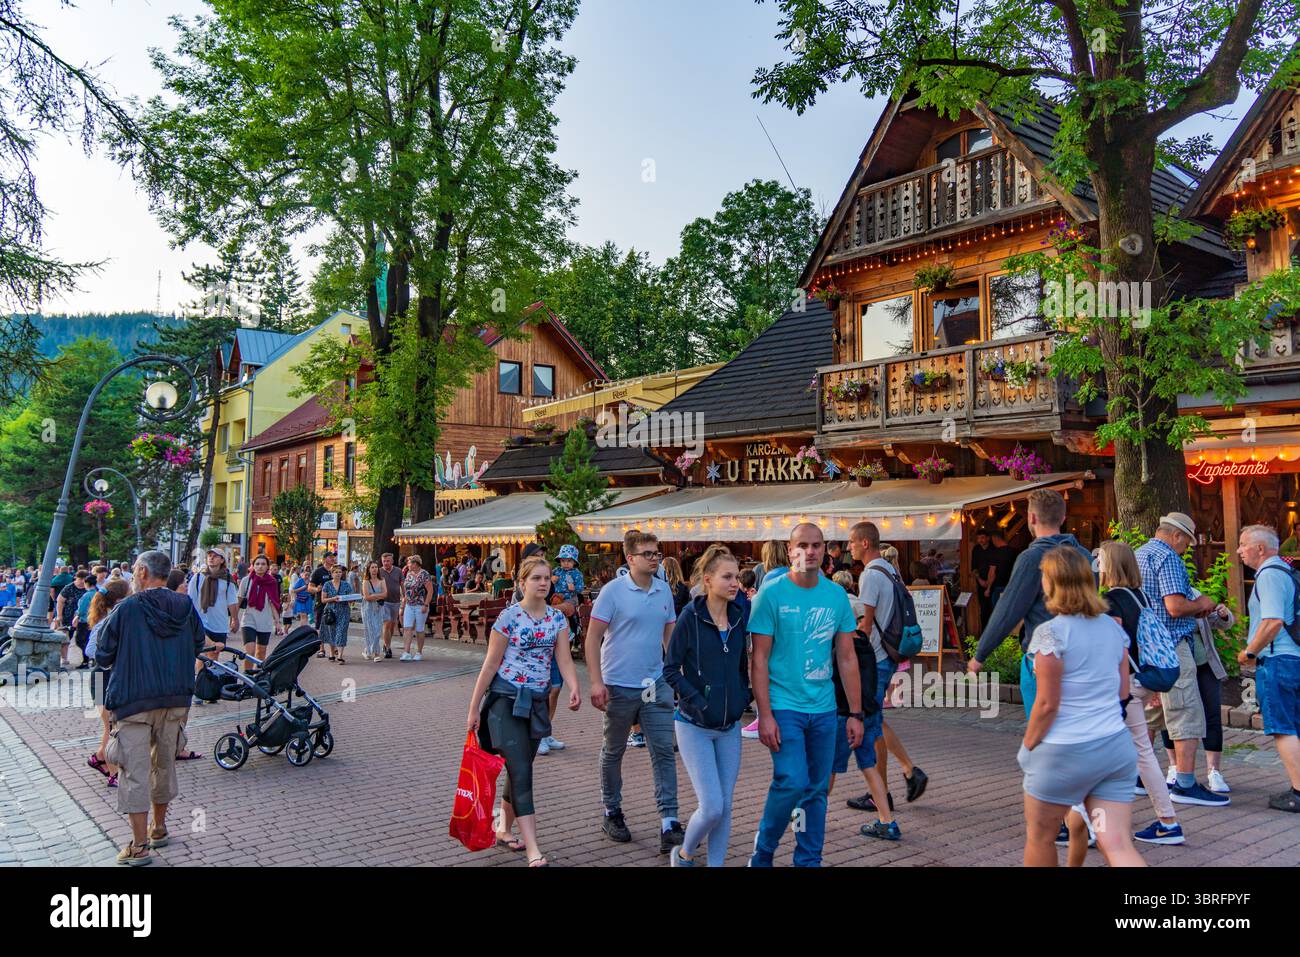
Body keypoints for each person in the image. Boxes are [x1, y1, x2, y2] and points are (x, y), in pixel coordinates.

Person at [1018, 546, 1143, 867]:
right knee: (1116, 843)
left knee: (1041, 837)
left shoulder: (1050, 634)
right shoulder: (1114, 630)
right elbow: (1122, 693)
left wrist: (1028, 745)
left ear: (1052, 583)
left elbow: (1046, 704)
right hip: (1113, 749)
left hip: (1063, 753)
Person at [748, 523, 863, 867]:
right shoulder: (772, 594)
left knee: (816, 790)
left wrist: (856, 713)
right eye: (803, 545)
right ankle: (764, 850)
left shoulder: (836, 596)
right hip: (785, 707)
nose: (810, 551)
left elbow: (846, 657)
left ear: (825, 549)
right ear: (790, 548)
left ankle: (808, 859)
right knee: (791, 780)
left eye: (816, 545)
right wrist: (764, 714)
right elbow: (759, 659)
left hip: (824, 709)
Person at [467, 555, 581, 867]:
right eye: (537, 578)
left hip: (537, 701)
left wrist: (573, 686)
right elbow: (490, 664)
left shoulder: (557, 619)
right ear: (522, 583)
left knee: (519, 767)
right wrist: (474, 707)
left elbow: (564, 659)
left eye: (547, 578)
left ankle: (503, 829)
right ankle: (533, 848)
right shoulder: (508, 618)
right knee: (522, 770)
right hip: (505, 700)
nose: (544, 583)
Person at [96, 550, 206, 866]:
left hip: (134, 699)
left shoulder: (127, 608)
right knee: (164, 764)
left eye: (134, 570)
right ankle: (159, 828)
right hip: (174, 698)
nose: (132, 575)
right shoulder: (185, 606)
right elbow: (199, 642)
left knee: (134, 770)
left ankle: (139, 846)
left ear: (143, 572)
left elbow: (102, 654)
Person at [585, 529, 682, 853]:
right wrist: (596, 683)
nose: (655, 558)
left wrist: (676, 678)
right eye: (648, 554)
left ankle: (669, 821)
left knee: (663, 752)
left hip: (654, 685)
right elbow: (592, 638)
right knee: (613, 751)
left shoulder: (663, 591)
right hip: (618, 686)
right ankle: (611, 811)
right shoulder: (613, 592)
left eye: (657, 552)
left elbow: (670, 638)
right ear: (630, 558)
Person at [662, 546, 750, 867]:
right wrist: (697, 700)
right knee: (712, 805)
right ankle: (684, 853)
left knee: (725, 806)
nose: (734, 583)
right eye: (727, 577)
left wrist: (744, 697)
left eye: (737, 577)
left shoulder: (740, 616)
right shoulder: (690, 617)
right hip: (693, 725)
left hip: (729, 727)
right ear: (708, 580)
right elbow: (670, 669)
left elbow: (741, 665)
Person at [968, 489, 1093, 716]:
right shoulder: (1084, 555)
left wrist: (980, 654)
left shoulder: (1032, 558)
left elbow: (1009, 610)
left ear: (1032, 518)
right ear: (1063, 518)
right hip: (1082, 656)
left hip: (1043, 658)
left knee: (1044, 735)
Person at [1135, 512, 1228, 807]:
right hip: (1173, 644)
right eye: (1186, 541)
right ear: (1177, 536)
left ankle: (1137, 777)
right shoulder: (1168, 557)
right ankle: (1185, 783)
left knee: (1150, 716)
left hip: (1146, 646)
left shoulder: (1139, 555)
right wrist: (1203, 603)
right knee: (1186, 711)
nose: (1186, 547)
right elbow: (1175, 606)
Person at [1096, 540, 1186, 847]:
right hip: (1143, 679)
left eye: (1101, 561)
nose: (1098, 566)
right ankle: (1167, 821)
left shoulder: (1111, 600)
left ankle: (1095, 824)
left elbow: (1114, 648)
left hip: (1124, 684)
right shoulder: (1142, 596)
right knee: (1142, 754)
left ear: (1111, 565)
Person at [843, 521, 929, 818]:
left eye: (852, 542)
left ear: (865, 543)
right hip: (892, 653)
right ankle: (892, 783)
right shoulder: (890, 568)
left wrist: (846, 636)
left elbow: (866, 624)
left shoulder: (869, 575)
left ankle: (892, 784)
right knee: (875, 722)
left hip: (877, 657)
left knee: (873, 723)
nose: (849, 547)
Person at [1234, 525, 1300, 813]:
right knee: (1293, 726)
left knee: (1282, 727)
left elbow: (1272, 622)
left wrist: (1250, 651)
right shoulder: (1283, 572)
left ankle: (1299, 792)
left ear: (1260, 548)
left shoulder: (1270, 575)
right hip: (1292, 659)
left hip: (1278, 661)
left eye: (1243, 544)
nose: (1239, 550)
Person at [1156, 583, 1234, 794]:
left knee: (1211, 714)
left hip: (1203, 662)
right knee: (1171, 713)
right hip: (1176, 664)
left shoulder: (1195, 596)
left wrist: (1224, 614)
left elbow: (1220, 622)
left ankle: (1214, 771)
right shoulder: (1160, 600)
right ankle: (1174, 766)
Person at [85, 578, 133, 790]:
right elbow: (91, 650)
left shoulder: (115, 617)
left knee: (112, 727)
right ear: (120, 599)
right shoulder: (108, 621)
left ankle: (99, 758)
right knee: (112, 728)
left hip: (107, 678)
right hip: (101, 678)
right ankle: (113, 772)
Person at [186, 549, 239, 691]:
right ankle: (199, 689)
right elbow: (189, 601)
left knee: (214, 655)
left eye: (215, 556)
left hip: (220, 623)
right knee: (202, 655)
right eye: (210, 556)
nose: (211, 558)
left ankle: (207, 687)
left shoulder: (227, 579)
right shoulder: (197, 577)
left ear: (222, 560)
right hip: (201, 622)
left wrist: (235, 619)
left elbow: (232, 602)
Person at [238, 555, 284, 668]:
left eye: (263, 564)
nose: (260, 566)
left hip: (265, 621)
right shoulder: (246, 580)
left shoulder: (272, 582)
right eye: (257, 564)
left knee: (261, 652)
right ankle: (247, 679)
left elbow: (273, 603)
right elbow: (238, 600)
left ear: (267, 566)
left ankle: (257, 678)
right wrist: (234, 618)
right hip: (249, 619)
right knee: (250, 652)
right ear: (253, 566)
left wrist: (277, 622)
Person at [399, 554, 433, 661]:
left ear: (415, 564)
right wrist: (404, 601)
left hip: (420, 604)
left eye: (409, 563)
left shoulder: (424, 574)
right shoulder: (409, 574)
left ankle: (419, 652)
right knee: (407, 627)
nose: (408, 565)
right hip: (409, 604)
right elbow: (405, 589)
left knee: (419, 629)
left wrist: (426, 604)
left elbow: (430, 590)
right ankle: (406, 651)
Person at [320, 563, 355, 663]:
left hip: (344, 610)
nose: (338, 574)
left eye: (340, 572)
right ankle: (331, 653)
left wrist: (352, 600)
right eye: (336, 572)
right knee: (332, 632)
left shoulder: (346, 584)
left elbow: (350, 597)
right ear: (332, 573)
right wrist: (333, 598)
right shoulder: (327, 584)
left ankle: (340, 655)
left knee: (341, 631)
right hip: (330, 611)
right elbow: (323, 600)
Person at [360, 560, 388, 662]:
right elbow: (367, 597)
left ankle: (368, 650)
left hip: (379, 608)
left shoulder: (382, 580)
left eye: (376, 567)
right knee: (370, 631)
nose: (375, 569)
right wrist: (378, 596)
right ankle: (376, 654)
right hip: (367, 609)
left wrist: (374, 596)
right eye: (372, 567)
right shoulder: (366, 581)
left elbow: (385, 594)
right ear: (368, 569)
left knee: (377, 631)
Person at [376, 554, 402, 660]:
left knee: (392, 625)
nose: (386, 563)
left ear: (392, 561)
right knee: (386, 624)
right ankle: (388, 648)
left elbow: (402, 584)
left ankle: (386, 643)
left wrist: (404, 597)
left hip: (395, 601)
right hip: (384, 601)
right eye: (384, 561)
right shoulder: (379, 571)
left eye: (388, 561)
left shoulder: (398, 571)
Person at [973, 529, 996, 629]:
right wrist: (979, 580)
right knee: (983, 610)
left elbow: (995, 568)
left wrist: (989, 583)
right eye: (978, 538)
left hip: (995, 583)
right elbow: (974, 568)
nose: (980, 540)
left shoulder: (994, 548)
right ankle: (984, 633)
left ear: (988, 538)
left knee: (994, 609)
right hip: (981, 583)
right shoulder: (976, 549)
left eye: (982, 537)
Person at [308, 552, 337, 631]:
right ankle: (320, 643)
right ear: (324, 559)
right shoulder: (318, 572)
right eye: (330, 557)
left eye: (333, 557)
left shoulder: (337, 571)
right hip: (321, 603)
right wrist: (316, 589)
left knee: (333, 629)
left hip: (335, 603)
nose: (332, 558)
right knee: (320, 628)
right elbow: (309, 588)